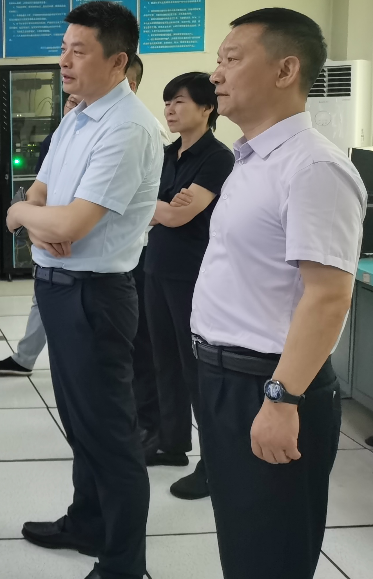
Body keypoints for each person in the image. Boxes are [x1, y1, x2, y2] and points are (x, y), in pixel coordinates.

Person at [191, 8, 365, 579]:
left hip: (269, 384)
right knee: (244, 541)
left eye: (231, 58)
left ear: (286, 70)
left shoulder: (313, 167)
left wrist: (281, 399)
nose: (216, 74)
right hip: (223, 377)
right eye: (218, 60)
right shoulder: (251, 160)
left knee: (272, 553)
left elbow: (328, 296)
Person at [6, 1, 163, 579]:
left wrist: (20, 216)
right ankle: (87, 522)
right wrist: (37, 220)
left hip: (95, 295)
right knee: (80, 422)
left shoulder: (128, 128)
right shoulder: (78, 116)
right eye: (63, 48)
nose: (64, 61)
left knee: (110, 434)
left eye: (78, 51)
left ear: (118, 61)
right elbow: (42, 191)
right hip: (58, 287)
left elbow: (68, 222)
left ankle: (123, 564)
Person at [144, 73, 234, 501]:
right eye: (167, 102)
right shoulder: (165, 154)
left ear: (207, 108)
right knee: (163, 359)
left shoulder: (218, 158)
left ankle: (215, 465)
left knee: (196, 367)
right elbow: (145, 205)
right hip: (156, 265)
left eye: (178, 101)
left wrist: (157, 207)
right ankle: (171, 442)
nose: (169, 109)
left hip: (193, 273)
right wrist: (161, 206)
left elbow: (179, 215)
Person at [0, 91, 82, 376]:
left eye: (80, 103)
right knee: (43, 298)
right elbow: (39, 190)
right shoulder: (56, 139)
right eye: (70, 102)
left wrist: (26, 217)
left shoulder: (121, 134)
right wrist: (36, 231)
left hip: (86, 244)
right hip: (51, 236)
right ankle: (25, 358)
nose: (74, 108)